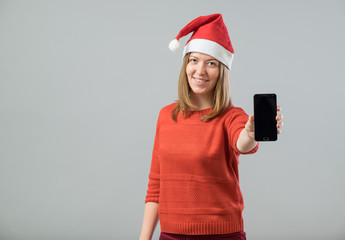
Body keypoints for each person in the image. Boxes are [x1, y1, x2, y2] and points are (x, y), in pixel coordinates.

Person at [139, 13, 283, 240]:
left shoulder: (231, 116)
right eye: (194, 60)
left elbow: (243, 144)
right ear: (186, 64)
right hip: (170, 235)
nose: (200, 70)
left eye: (211, 63)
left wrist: (251, 133)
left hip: (222, 235)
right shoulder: (166, 116)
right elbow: (155, 185)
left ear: (222, 71)